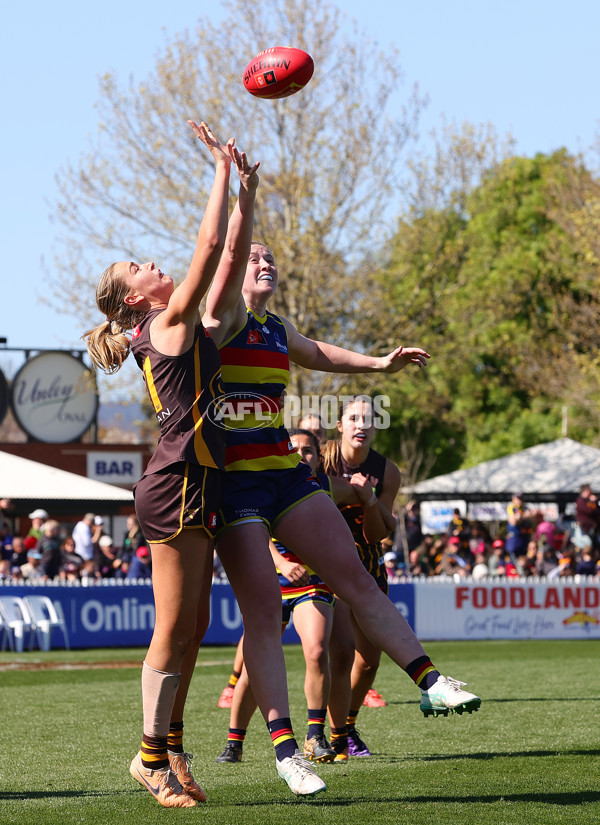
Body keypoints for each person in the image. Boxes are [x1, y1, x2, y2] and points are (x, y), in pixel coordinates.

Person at [201, 225, 481, 791]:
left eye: (271, 257)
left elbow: (321, 353)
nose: (265, 262)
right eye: (255, 257)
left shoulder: (277, 328)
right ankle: (285, 752)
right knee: (261, 617)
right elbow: (228, 251)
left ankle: (429, 680)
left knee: (356, 575)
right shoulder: (220, 317)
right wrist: (241, 195)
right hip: (236, 487)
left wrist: (381, 365)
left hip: (283, 474)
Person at [83, 120, 250, 808]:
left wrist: (247, 193)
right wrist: (217, 170)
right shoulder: (165, 322)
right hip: (174, 483)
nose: (154, 265)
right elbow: (208, 247)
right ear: (134, 297)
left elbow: (231, 261)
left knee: (195, 628)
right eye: (140, 266)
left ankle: (172, 747)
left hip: (194, 479)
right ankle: (150, 758)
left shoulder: (169, 323)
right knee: (172, 626)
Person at [215, 428, 358, 765]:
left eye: (308, 450)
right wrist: (279, 561)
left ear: (319, 456)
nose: (301, 454)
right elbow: (251, 525)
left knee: (317, 649)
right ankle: (234, 741)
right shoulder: (266, 476)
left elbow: (367, 502)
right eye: (293, 448)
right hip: (271, 578)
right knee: (256, 662)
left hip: (312, 581)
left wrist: (374, 505)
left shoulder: (324, 486)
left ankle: (315, 735)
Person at [321, 396, 402, 756]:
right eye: (353, 418)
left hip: (368, 563)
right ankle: (324, 730)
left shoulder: (388, 471)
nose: (361, 425)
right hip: (326, 564)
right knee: (336, 655)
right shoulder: (321, 459)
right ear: (340, 426)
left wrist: (368, 500)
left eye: (368, 419)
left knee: (368, 659)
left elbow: (377, 534)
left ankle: (348, 725)